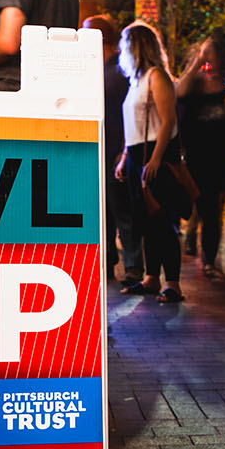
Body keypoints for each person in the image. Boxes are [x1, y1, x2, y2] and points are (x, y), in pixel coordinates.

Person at [115, 21, 187, 303]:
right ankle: (151, 277)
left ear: (136, 45)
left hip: (153, 154)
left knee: (160, 220)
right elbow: (132, 124)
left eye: (125, 43)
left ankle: (173, 283)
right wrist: (124, 158)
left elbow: (169, 120)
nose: (122, 49)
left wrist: (156, 158)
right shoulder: (136, 80)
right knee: (144, 219)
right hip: (136, 154)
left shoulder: (156, 76)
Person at [82, 15, 143, 288]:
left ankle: (132, 266)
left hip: (116, 149)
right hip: (97, 148)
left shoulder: (118, 71)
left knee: (122, 209)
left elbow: (127, 113)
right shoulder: (93, 69)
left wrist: (123, 150)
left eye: (86, 33)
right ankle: (107, 263)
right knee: (102, 210)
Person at [177, 37, 225, 279]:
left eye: (212, 56)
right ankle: (189, 237)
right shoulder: (194, 84)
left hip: (218, 160)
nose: (210, 61)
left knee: (212, 212)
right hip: (193, 158)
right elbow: (179, 92)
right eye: (207, 56)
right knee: (192, 205)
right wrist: (196, 62)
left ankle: (209, 260)